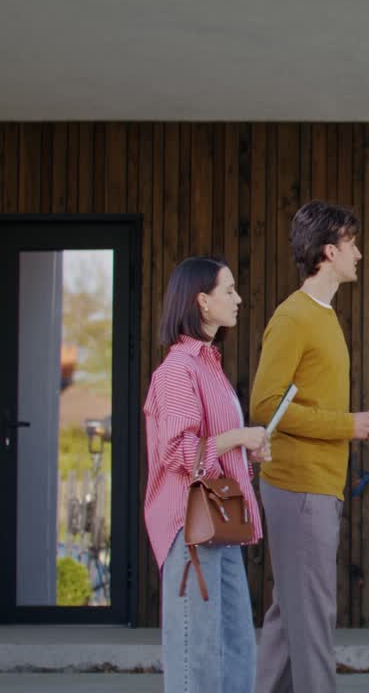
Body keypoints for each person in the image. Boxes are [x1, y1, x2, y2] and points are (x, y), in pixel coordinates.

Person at [250, 200, 369, 693]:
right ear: (329, 252)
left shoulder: (324, 317)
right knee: (312, 620)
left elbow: (310, 404)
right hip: (300, 487)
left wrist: (358, 425)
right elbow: (265, 405)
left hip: (317, 488)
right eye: (352, 243)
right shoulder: (294, 317)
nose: (359, 252)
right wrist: (346, 426)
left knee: (287, 617)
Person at [143, 256, 271, 693]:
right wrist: (238, 436)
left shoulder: (208, 367)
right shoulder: (178, 370)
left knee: (236, 647)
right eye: (229, 290)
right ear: (202, 301)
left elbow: (212, 453)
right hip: (190, 527)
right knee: (194, 653)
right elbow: (179, 451)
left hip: (219, 523)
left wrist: (246, 453)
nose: (238, 299)